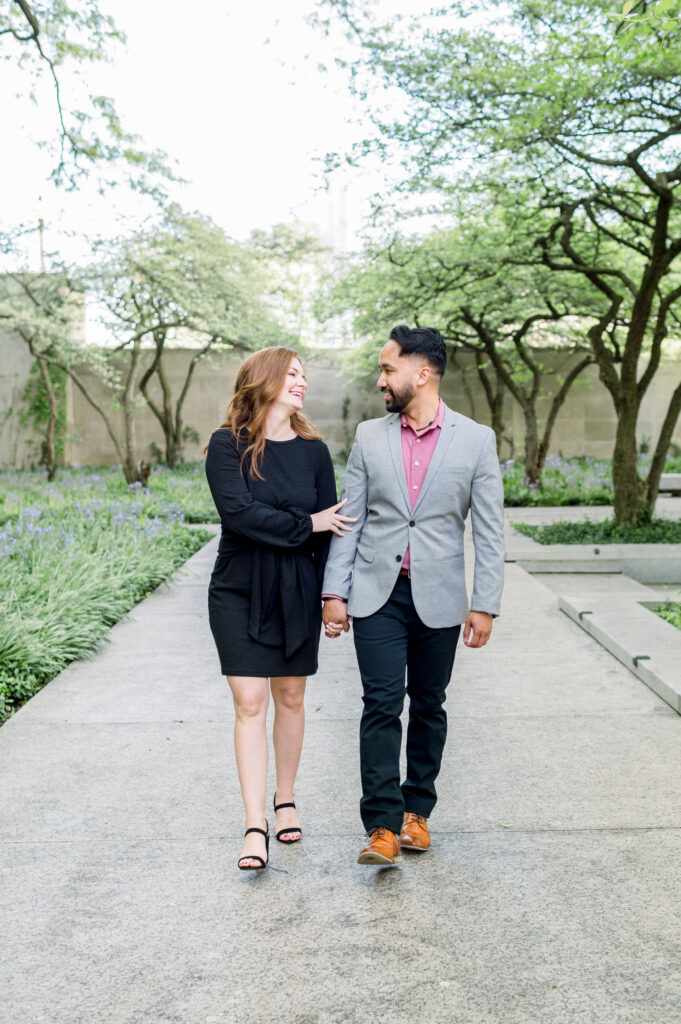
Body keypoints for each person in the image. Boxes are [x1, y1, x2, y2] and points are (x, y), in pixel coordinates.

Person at [322, 324, 505, 866]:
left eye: (387, 369)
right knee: (380, 704)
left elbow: (490, 530)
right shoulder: (368, 437)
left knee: (429, 705)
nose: (381, 379)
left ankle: (415, 814)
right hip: (378, 593)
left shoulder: (477, 440)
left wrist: (485, 602)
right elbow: (349, 521)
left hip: (442, 597)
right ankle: (380, 825)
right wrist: (336, 591)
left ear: (420, 374)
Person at [205, 347, 355, 870]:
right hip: (239, 587)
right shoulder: (227, 446)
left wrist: (332, 595)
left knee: (290, 696)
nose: (301, 382)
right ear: (263, 379)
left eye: (304, 375)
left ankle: (285, 798)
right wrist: (304, 523)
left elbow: (333, 527)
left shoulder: (314, 451)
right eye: (292, 373)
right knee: (250, 703)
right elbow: (240, 515)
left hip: (297, 585)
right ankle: (254, 824)